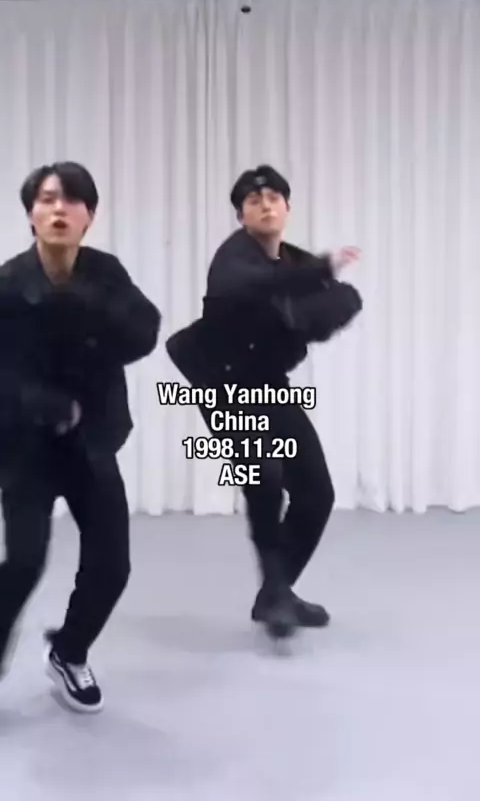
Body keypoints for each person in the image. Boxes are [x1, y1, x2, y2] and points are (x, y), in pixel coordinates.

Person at [166, 165, 362, 641]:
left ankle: (276, 593)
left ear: (287, 208)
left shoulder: (295, 263)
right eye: (254, 202)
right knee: (265, 478)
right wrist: (318, 278)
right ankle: (276, 595)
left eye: (274, 198)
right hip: (221, 384)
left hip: (268, 384)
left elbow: (343, 300)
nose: (265, 205)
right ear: (241, 216)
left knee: (317, 493)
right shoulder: (232, 258)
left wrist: (309, 308)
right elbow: (251, 286)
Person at [0, 161, 161, 712]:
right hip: (27, 448)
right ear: (31, 214)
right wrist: (39, 402)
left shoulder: (106, 273)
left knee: (113, 567)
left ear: (89, 216)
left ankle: (69, 652)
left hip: (89, 443)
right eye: (47, 199)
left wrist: (89, 305)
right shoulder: (8, 284)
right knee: (24, 563)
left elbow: (144, 330)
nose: (58, 209)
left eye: (71, 200)